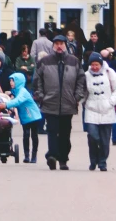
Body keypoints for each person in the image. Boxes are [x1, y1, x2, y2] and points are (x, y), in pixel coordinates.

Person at [33, 31, 85, 170]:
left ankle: (63, 159)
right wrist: (41, 96)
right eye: (56, 44)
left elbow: (81, 79)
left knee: (65, 133)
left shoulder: (74, 61)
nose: (59, 46)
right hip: (50, 102)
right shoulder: (45, 61)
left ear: (65, 45)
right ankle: (52, 156)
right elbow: (37, 80)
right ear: (53, 46)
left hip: (68, 103)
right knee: (51, 130)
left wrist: (77, 96)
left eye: (61, 44)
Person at [83, 52, 116, 171]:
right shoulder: (86, 75)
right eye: (93, 65)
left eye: (97, 65)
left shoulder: (109, 72)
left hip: (107, 109)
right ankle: (93, 160)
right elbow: (83, 91)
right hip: (92, 109)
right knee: (93, 136)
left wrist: (110, 102)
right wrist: (81, 101)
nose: (95, 67)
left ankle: (102, 162)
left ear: (101, 64)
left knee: (105, 140)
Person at [7, 70, 43, 163]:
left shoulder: (23, 91)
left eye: (13, 81)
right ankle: (27, 155)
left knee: (34, 135)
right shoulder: (16, 91)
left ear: (18, 81)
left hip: (33, 116)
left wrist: (6, 104)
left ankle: (34, 155)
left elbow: (17, 101)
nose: (11, 83)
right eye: (10, 81)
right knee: (26, 135)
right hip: (25, 117)